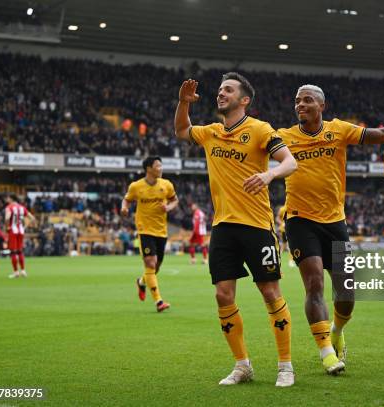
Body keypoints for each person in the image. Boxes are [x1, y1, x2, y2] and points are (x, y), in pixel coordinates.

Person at [278, 84, 384, 375]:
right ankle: (326, 352)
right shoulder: (284, 137)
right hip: (300, 220)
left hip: (335, 223)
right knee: (314, 284)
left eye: (307, 100)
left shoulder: (338, 129)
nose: (300, 105)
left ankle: (337, 330)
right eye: (297, 101)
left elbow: (378, 136)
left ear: (322, 106)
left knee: (346, 292)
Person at [174, 73, 298, 387]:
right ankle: (242, 365)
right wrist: (183, 103)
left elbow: (290, 162)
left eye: (228, 90)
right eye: (219, 90)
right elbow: (181, 130)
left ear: (244, 100)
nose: (221, 93)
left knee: (270, 293)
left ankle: (285, 365)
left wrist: (270, 175)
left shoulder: (259, 129)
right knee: (222, 294)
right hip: (223, 227)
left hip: (257, 225)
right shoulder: (211, 132)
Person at [121, 156, 178, 312]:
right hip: (144, 229)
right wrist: (124, 208)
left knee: (155, 267)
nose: (161, 168)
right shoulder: (136, 186)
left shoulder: (166, 185)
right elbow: (126, 200)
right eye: (158, 166)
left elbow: (174, 200)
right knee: (150, 263)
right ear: (148, 169)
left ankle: (141, 282)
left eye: (161, 165)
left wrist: (169, 208)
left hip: (161, 231)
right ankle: (159, 302)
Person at [5, 194, 36, 279]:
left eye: (7, 198)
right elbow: (32, 218)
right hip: (21, 231)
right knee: (20, 251)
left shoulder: (9, 207)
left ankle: (16, 272)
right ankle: (23, 271)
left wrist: (7, 227)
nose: (6, 199)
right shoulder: (22, 207)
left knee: (13, 252)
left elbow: (7, 218)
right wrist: (25, 226)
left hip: (13, 231)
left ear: (11, 198)